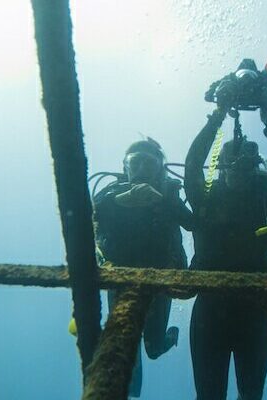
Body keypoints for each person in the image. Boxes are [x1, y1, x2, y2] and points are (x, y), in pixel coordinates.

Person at [184, 90, 267, 400]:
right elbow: (193, 166)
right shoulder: (205, 198)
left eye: (247, 161)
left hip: (254, 308)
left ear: (255, 166)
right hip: (211, 307)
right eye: (231, 160)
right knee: (208, 396)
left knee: (251, 395)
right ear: (221, 166)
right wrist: (217, 117)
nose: (239, 166)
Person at [92, 138, 192, 398]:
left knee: (154, 347)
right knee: (125, 344)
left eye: (149, 163)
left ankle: (169, 337)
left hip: (160, 280)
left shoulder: (169, 192)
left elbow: (192, 223)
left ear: (160, 168)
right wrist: (123, 200)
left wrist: (166, 201)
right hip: (120, 277)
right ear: (125, 167)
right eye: (135, 162)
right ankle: (126, 392)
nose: (141, 169)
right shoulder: (111, 192)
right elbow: (94, 212)